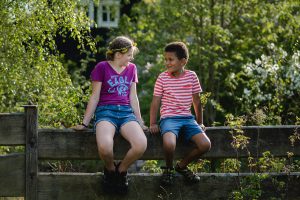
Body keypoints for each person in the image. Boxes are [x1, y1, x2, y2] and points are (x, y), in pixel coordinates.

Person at [72, 36, 147, 194]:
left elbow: (133, 97)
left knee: (141, 144)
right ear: (118, 54)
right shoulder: (102, 67)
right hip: (106, 112)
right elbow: (94, 97)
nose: (131, 58)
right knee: (105, 147)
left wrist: (139, 120)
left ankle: (121, 172)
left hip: (126, 113)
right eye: (129, 55)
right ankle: (110, 170)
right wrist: (85, 123)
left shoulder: (132, 68)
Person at [149, 41, 211, 186]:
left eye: (171, 59)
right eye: (166, 59)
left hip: (188, 119)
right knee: (169, 144)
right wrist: (152, 123)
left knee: (205, 145)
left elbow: (197, 101)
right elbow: (155, 102)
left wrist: (200, 122)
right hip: (168, 119)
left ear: (183, 61)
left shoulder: (191, 76)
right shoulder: (162, 78)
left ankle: (181, 166)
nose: (167, 63)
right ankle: (169, 169)